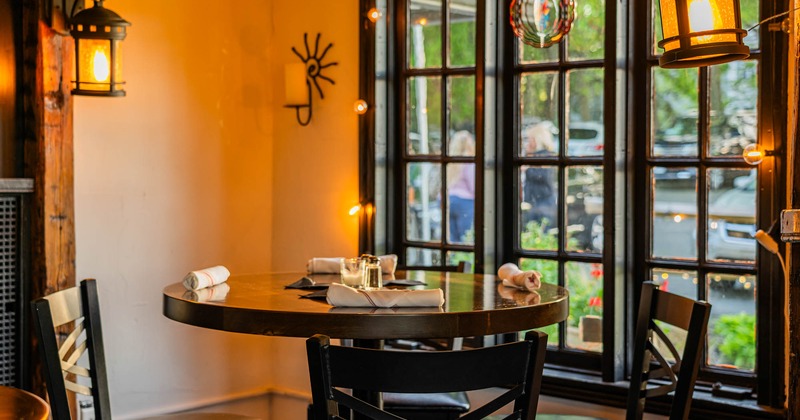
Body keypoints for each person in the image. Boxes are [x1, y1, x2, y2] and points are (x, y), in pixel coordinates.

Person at [522, 123, 557, 226]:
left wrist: (527, 168)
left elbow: (544, 176)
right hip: (533, 200)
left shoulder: (545, 155)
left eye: (530, 139)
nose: (528, 142)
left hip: (543, 201)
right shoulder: (532, 155)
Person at [447, 131, 476, 244]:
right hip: (465, 202)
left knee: (453, 239)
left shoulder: (452, 161)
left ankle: (454, 261)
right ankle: (463, 261)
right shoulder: (469, 161)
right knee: (465, 238)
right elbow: (473, 186)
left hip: (450, 200)